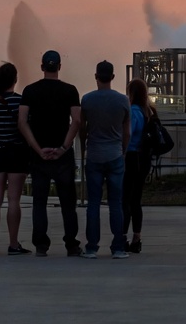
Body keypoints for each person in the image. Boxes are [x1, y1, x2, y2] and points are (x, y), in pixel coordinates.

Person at [18, 50, 82, 257]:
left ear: (42, 67)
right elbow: (77, 121)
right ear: (60, 67)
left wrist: (37, 148)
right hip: (62, 156)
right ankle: (71, 244)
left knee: (39, 201)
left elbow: (22, 122)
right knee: (68, 203)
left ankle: (41, 245)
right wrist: (63, 147)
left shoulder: (30, 91)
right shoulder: (70, 91)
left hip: (39, 155)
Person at [80, 60, 130, 258]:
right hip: (115, 155)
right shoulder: (123, 100)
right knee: (115, 203)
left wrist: (84, 145)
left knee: (93, 203)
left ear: (96, 76)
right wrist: (122, 151)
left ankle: (92, 247)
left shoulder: (87, 100)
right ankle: (118, 247)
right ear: (113, 77)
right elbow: (127, 132)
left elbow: (82, 128)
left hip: (94, 155)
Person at [0, 62, 30, 255]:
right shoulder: (21, 102)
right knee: (14, 200)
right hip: (17, 152)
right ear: (15, 80)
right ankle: (13, 243)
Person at [122, 78, 155, 254]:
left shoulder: (134, 111)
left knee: (125, 199)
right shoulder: (148, 111)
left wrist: (122, 152)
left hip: (132, 157)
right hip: (144, 159)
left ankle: (122, 237)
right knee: (136, 200)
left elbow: (129, 133)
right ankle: (137, 237)